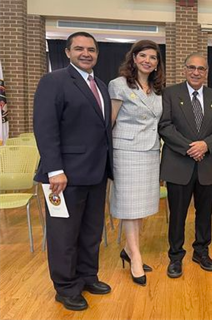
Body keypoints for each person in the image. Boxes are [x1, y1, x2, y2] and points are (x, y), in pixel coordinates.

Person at [33, 32, 113, 311]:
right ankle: (66, 287)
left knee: (91, 231)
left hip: (95, 173)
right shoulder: (53, 81)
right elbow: (45, 129)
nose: (86, 53)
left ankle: (87, 276)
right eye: (79, 48)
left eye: (91, 49)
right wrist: (55, 170)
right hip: (63, 177)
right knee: (64, 235)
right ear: (67, 52)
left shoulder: (100, 85)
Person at [159, 52, 212, 278]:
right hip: (179, 164)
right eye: (192, 67)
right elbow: (165, 126)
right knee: (177, 215)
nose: (196, 72)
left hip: (206, 166)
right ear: (184, 69)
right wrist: (192, 147)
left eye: (201, 69)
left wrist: (205, 146)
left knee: (205, 214)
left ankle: (201, 251)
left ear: (206, 72)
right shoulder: (170, 93)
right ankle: (176, 256)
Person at [108, 40, 164, 286]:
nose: (147, 61)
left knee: (140, 207)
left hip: (150, 151)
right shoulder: (119, 85)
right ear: (133, 58)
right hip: (126, 152)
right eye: (143, 55)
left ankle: (129, 250)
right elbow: (109, 122)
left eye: (153, 57)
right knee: (130, 207)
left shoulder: (158, 89)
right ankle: (136, 257)